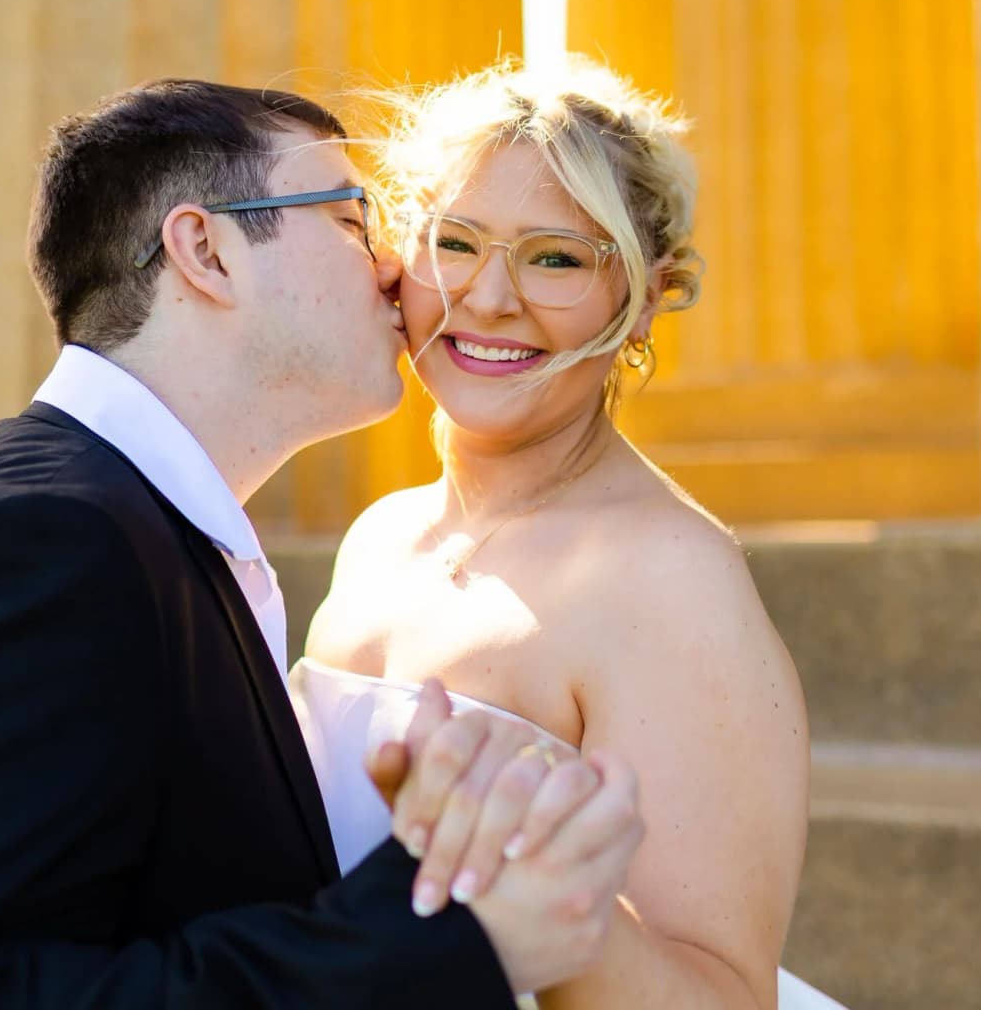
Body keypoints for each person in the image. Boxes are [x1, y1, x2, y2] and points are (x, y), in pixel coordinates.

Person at [0, 80, 647, 1009]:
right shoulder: (36, 549)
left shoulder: (136, 532)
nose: (395, 268)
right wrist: (444, 938)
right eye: (350, 219)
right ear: (206, 250)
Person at [294, 59, 842, 1008]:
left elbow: (722, 998)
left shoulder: (672, 580)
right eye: (454, 243)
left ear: (644, 295)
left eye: (555, 257)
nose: (492, 298)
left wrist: (525, 891)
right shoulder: (379, 537)